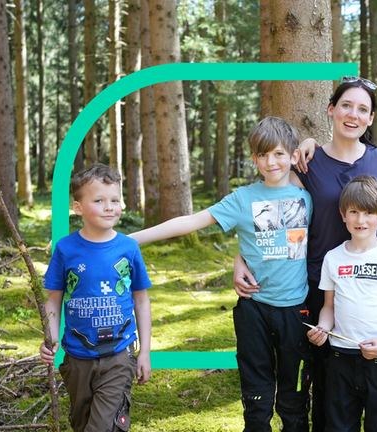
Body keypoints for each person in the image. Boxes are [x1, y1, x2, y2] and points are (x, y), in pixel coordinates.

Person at [234, 77, 377, 432]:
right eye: (346, 106)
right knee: (324, 381)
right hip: (318, 285)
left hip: (373, 290)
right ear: (331, 110)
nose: (353, 115)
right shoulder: (306, 163)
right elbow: (273, 219)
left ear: (371, 119)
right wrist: (241, 259)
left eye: (363, 109)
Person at [130, 116, 313, 432]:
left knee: (294, 398)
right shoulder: (243, 199)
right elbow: (190, 221)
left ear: (293, 157)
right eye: (263, 155)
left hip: (297, 310)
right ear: (254, 159)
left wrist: (311, 143)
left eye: (280, 154)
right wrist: (129, 240)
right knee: (256, 394)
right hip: (254, 309)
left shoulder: (307, 193)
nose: (271, 162)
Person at [39, 163, 153, 432]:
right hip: (77, 357)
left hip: (119, 354)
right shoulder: (65, 249)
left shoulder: (128, 247)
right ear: (78, 207)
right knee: (82, 423)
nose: (109, 207)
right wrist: (52, 338)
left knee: (103, 427)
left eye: (115, 200)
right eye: (99, 200)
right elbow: (54, 299)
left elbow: (141, 301)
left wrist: (145, 352)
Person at [307, 174, 377, 432]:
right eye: (354, 212)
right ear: (343, 215)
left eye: (368, 212)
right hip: (340, 358)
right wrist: (323, 327)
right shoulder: (333, 258)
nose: (360, 219)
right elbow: (329, 306)